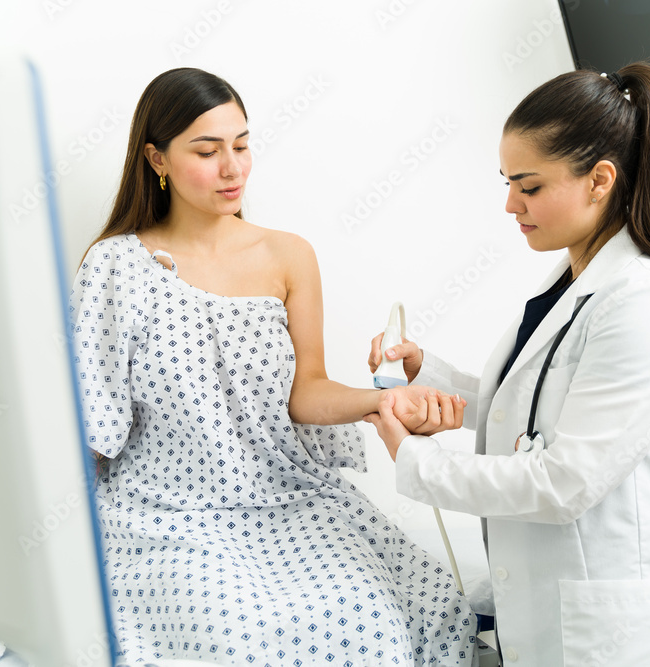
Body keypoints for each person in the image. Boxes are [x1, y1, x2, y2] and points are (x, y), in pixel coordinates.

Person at [69, 67, 476, 665]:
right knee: (238, 634)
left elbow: (304, 392)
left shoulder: (288, 255)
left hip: (285, 497)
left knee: (367, 621)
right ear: (157, 159)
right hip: (166, 511)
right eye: (207, 151)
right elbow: (93, 426)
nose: (232, 168)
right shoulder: (114, 267)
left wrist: (378, 402)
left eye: (241, 144)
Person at [366, 62, 650, 666]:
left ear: (600, 180)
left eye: (528, 187)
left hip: (612, 641)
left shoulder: (647, 305)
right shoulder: (570, 287)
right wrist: (431, 377)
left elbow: (563, 480)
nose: (509, 205)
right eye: (506, 183)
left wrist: (416, 458)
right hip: (547, 624)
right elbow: (530, 419)